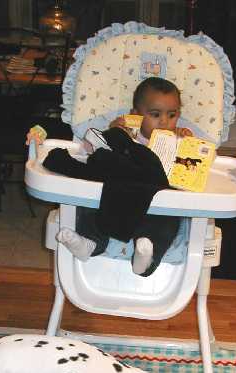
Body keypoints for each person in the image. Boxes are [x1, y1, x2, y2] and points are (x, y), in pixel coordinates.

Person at [29, 77, 192, 276]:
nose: (164, 122)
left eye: (172, 115)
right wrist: (113, 134)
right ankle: (90, 242)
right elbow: (91, 155)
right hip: (116, 198)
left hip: (154, 206)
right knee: (91, 198)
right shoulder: (128, 139)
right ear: (136, 115)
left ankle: (147, 255)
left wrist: (188, 146)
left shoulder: (179, 141)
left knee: (170, 218)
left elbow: (192, 174)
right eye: (155, 114)